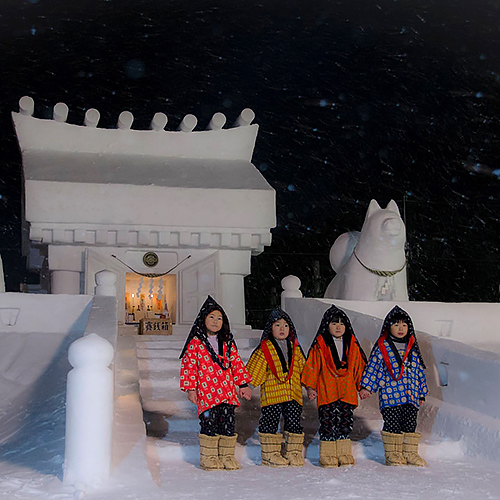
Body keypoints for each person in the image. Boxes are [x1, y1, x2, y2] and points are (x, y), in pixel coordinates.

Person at [179, 296, 252, 471]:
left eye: (219, 318)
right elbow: (189, 366)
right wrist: (191, 389)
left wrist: (243, 384)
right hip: (207, 393)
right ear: (203, 319)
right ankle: (209, 457)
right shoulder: (195, 343)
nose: (215, 321)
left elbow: (236, 363)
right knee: (209, 424)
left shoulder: (227, 342)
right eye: (211, 317)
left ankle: (226, 456)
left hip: (226, 392)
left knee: (228, 423)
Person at [359, 305, 428, 467]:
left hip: (411, 395)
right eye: (396, 325)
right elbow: (373, 368)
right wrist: (367, 387)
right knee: (392, 423)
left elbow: (419, 372)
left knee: (410, 423)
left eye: (404, 325)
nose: (400, 328)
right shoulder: (382, 347)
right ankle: (393, 454)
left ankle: (410, 453)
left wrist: (421, 393)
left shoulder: (412, 348)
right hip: (390, 396)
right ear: (388, 327)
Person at [302, 305, 367, 467]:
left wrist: (363, 387)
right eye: (334, 323)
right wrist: (311, 387)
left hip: (347, 391)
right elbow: (312, 366)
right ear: (326, 325)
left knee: (345, 422)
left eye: (342, 324)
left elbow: (360, 367)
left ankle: (344, 452)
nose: (338, 327)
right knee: (328, 422)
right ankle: (328, 454)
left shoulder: (353, 345)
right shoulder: (320, 345)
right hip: (327, 391)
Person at [246, 308, 306, 467]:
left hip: (293, 392)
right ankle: (270, 454)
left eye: (286, 326)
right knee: (270, 421)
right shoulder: (265, 348)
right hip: (273, 393)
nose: (282, 329)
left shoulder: (296, 348)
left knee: (294, 421)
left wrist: (310, 387)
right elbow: (256, 368)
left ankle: (293, 452)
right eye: (277, 325)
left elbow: (303, 369)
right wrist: (249, 386)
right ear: (270, 328)